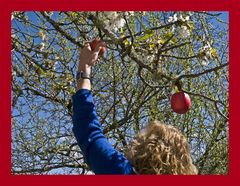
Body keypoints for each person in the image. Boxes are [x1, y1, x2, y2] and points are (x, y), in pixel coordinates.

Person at [72, 40, 198, 175]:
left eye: (140, 140)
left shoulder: (122, 171)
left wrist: (84, 67)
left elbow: (88, 129)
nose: (133, 142)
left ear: (147, 150)